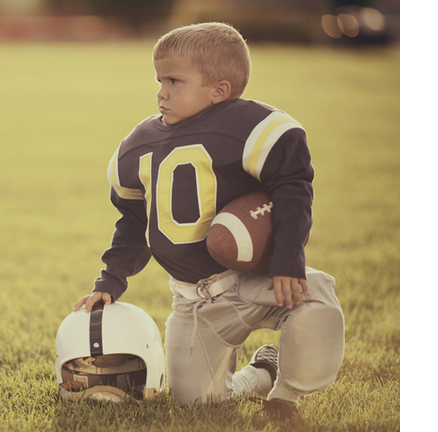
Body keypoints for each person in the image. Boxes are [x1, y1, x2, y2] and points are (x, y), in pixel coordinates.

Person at [72, 22, 344, 419]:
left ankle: (285, 396)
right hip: (192, 301)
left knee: (315, 300)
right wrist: (111, 280)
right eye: (159, 79)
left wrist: (288, 261)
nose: (161, 91)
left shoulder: (246, 127)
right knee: (197, 404)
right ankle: (262, 372)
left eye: (175, 81)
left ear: (219, 91)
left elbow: (292, 186)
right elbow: (133, 222)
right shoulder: (138, 145)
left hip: (253, 281)